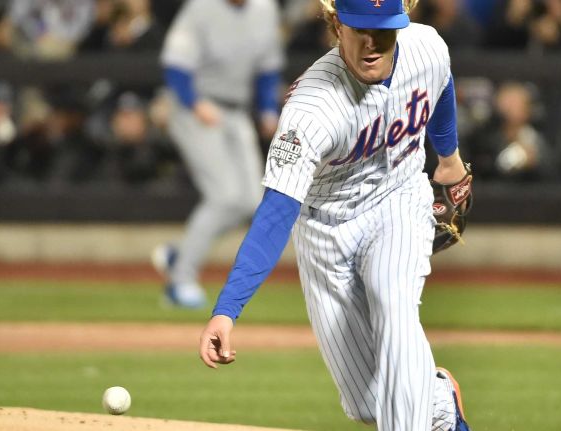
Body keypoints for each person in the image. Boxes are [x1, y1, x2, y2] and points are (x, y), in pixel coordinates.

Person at [198, 0, 473, 430]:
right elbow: (276, 212)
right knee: (368, 403)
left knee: (393, 302)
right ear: (336, 24)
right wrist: (226, 310)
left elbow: (440, 86)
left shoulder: (427, 47)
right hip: (325, 229)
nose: (372, 43)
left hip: (398, 201)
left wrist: (449, 159)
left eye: (384, 29)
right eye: (360, 29)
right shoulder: (310, 110)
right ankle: (438, 397)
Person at [152, 0, 285, 308]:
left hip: (236, 111)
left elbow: (268, 68)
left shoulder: (264, 9)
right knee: (224, 196)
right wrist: (194, 102)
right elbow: (176, 65)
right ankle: (180, 281)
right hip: (195, 106)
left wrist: (267, 109)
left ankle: (182, 254)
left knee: (252, 201)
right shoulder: (200, 8)